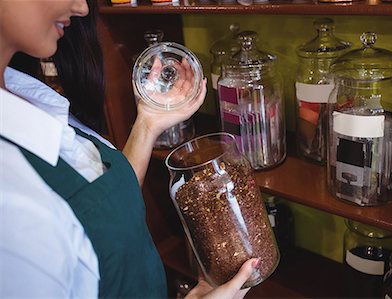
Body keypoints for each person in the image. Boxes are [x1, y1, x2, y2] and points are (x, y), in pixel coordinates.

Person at [0, 0, 259, 298]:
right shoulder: (8, 197)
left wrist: (148, 124)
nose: (82, 8)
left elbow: (104, 213)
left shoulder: (29, 95)